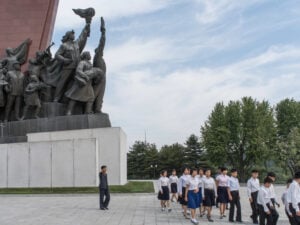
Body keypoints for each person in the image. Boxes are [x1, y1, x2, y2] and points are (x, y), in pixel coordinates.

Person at [53, 22, 90, 102]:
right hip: (68, 66)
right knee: (62, 82)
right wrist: (64, 60)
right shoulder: (64, 45)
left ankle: (70, 101)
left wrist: (87, 24)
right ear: (69, 35)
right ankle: (56, 98)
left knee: (74, 83)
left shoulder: (76, 44)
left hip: (77, 67)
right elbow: (57, 55)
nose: (74, 35)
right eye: (72, 34)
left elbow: (82, 36)